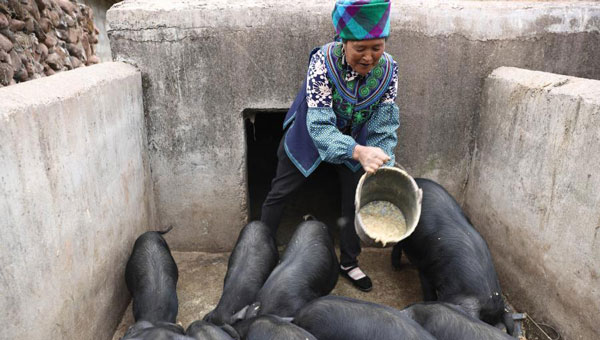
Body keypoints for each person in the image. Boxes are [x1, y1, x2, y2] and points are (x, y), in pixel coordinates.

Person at [260, 0, 399, 292]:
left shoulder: (389, 71)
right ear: (343, 41)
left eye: (376, 47)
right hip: (310, 132)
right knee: (280, 191)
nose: (368, 57)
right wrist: (358, 151)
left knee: (354, 195)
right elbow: (320, 125)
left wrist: (381, 161)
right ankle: (261, 251)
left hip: (356, 137)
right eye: (359, 49)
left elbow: (384, 124)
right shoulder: (322, 62)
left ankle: (349, 261)